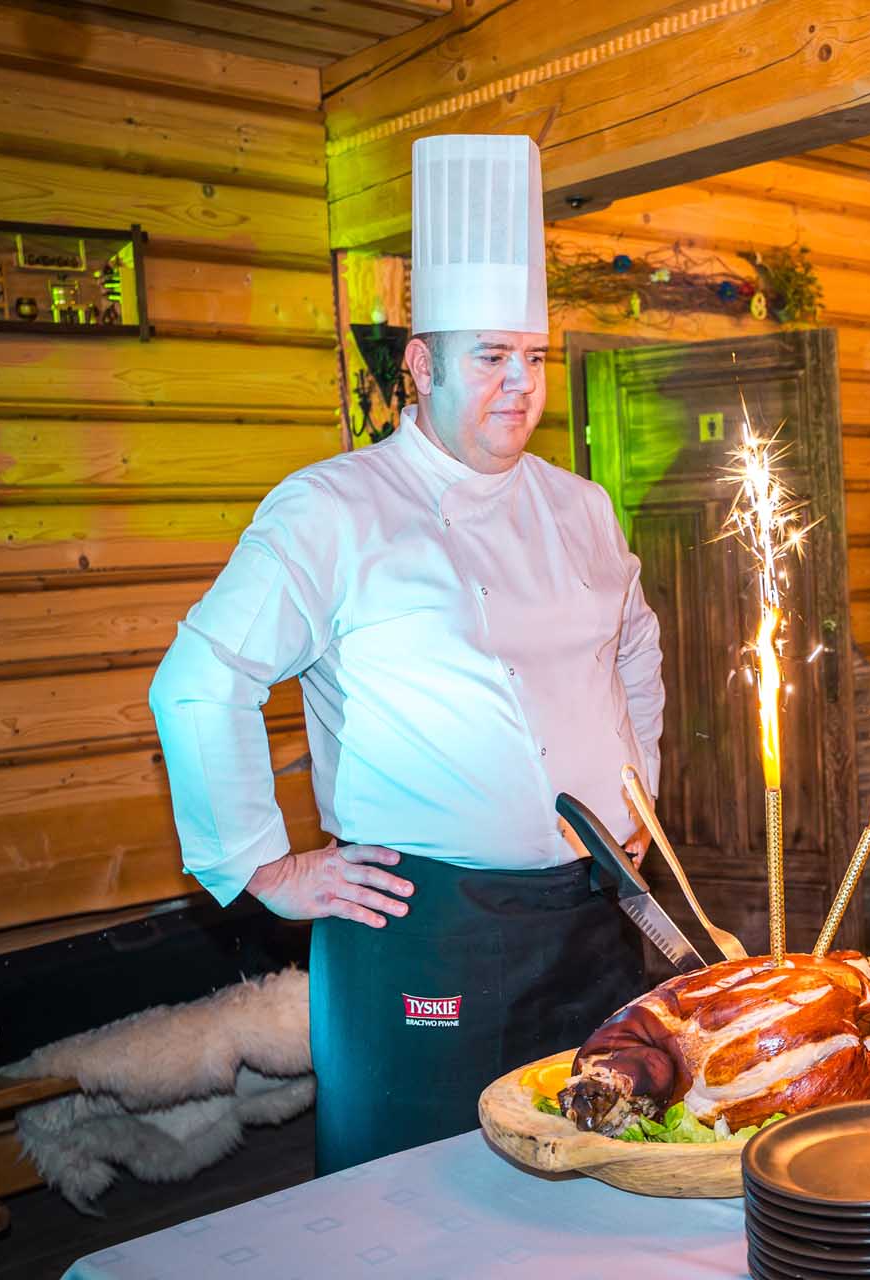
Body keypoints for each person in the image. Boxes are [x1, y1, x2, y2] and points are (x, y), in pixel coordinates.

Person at [149, 134, 662, 1174]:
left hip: (591, 921)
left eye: (535, 357)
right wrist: (260, 865)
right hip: (425, 929)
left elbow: (635, 648)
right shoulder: (334, 507)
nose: (520, 384)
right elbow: (201, 679)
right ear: (421, 366)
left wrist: (636, 801)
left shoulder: (581, 506)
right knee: (421, 1196)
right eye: (490, 357)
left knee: (602, 1177)